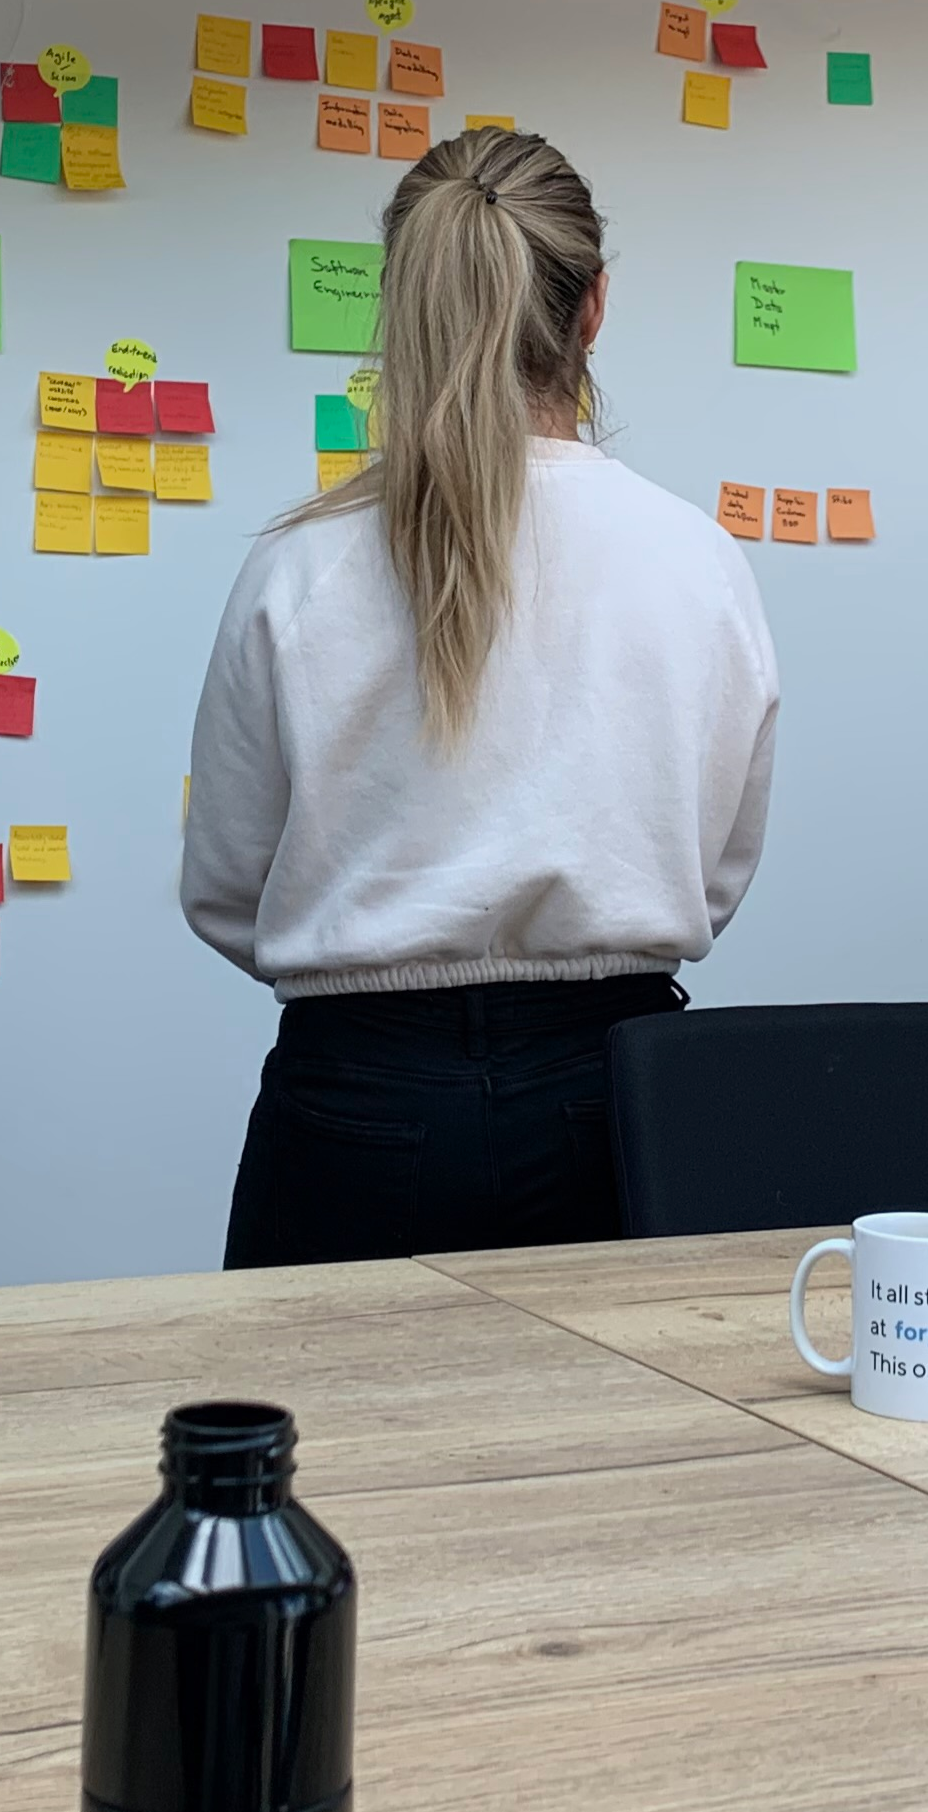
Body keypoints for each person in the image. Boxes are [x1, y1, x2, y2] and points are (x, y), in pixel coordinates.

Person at [183, 129, 776, 1265]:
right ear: (594, 306)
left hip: (355, 1096)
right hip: (617, 1098)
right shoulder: (696, 560)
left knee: (335, 1440)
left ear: (406, 300)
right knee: (621, 1448)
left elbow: (226, 883)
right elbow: (717, 868)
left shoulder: (299, 568)